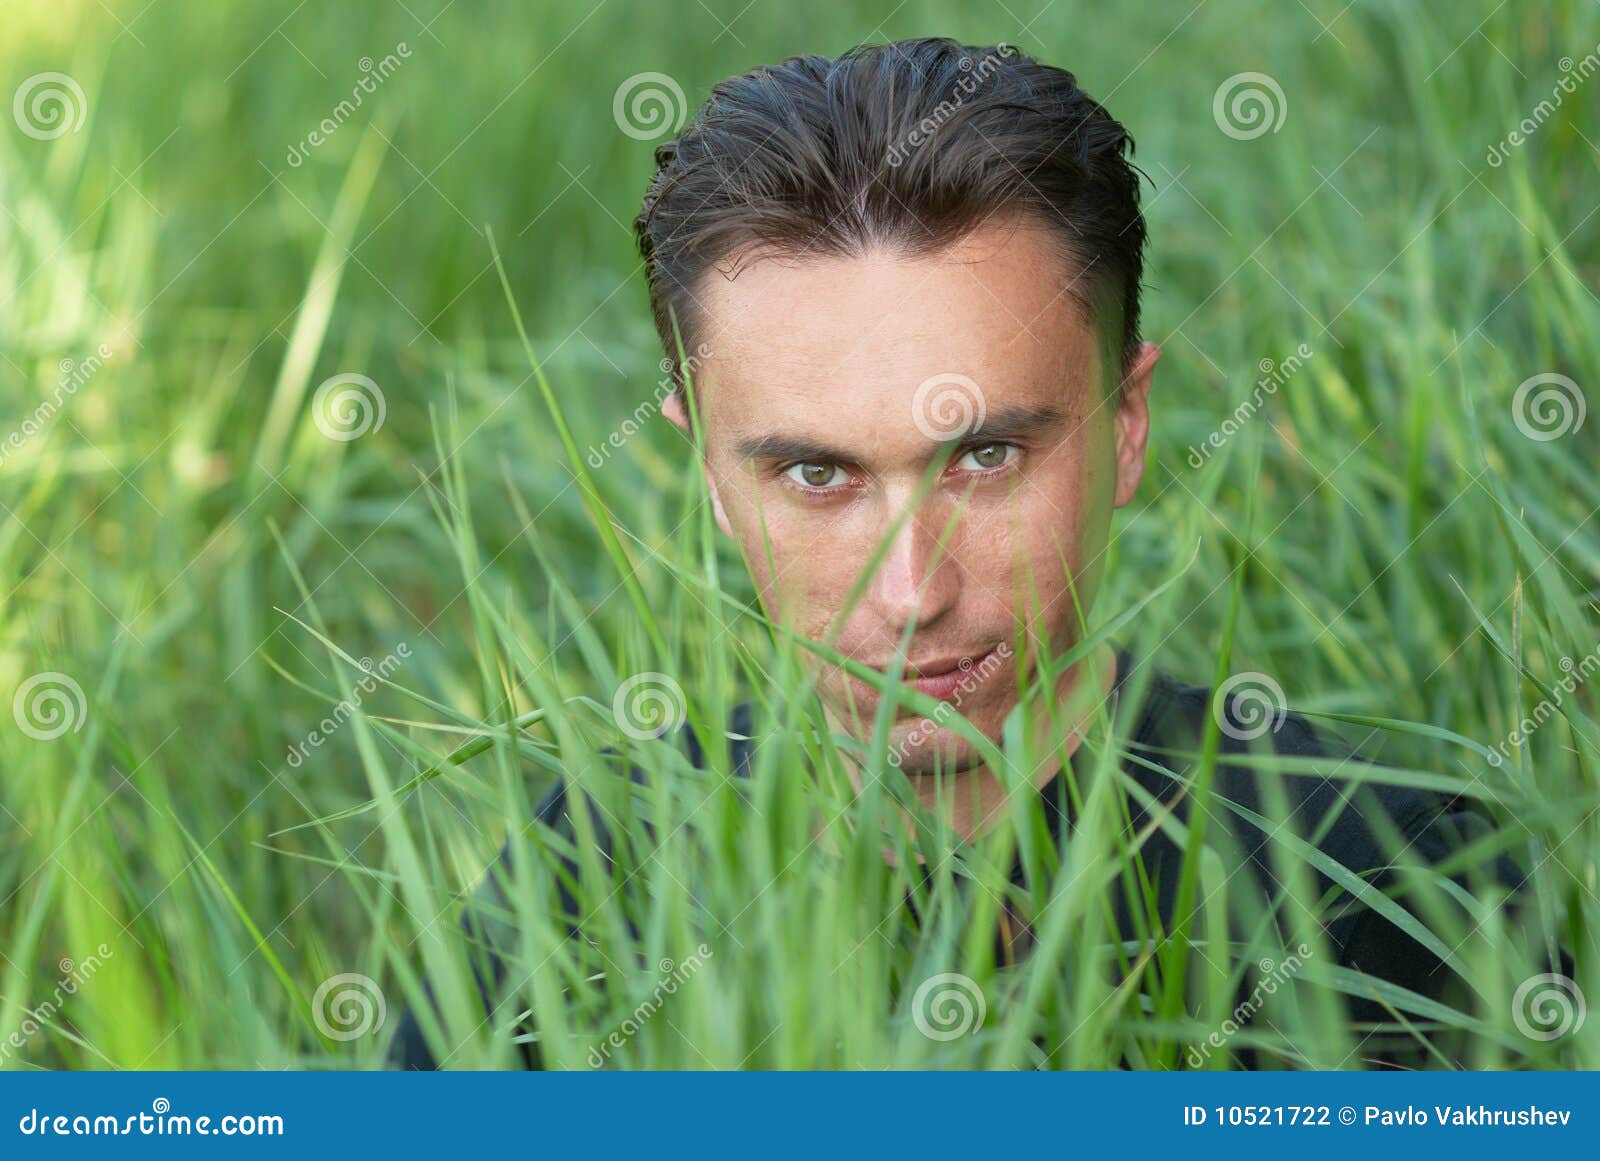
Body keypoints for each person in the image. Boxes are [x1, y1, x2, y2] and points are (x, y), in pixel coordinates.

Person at [391, 37, 1530, 1070]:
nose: (911, 594)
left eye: (985, 457)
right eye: (817, 476)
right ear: (708, 477)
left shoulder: (1386, 883)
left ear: (1127, 426)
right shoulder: (587, 880)